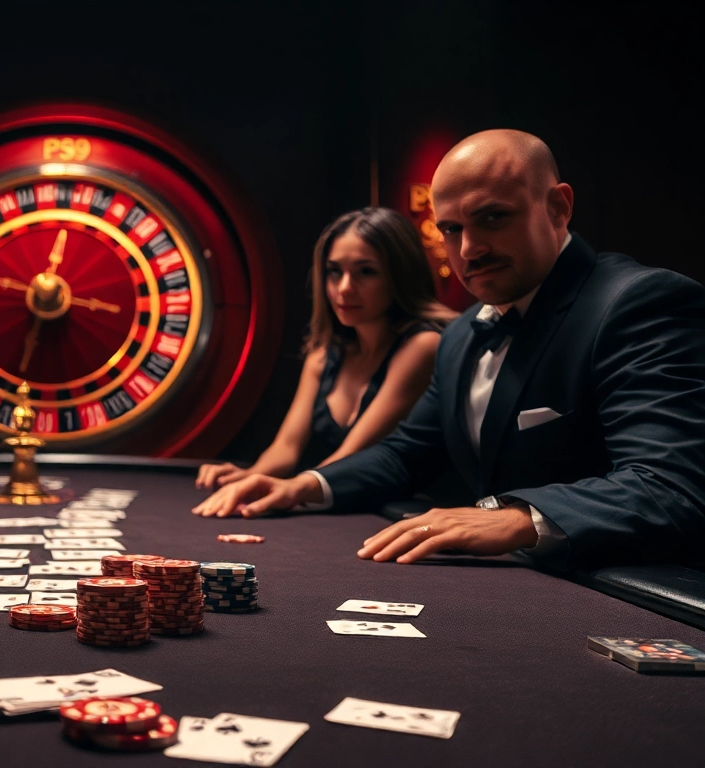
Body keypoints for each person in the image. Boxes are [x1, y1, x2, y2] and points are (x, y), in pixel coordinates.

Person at [204, 130, 705, 569]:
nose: (468, 249)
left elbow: (669, 488)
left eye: (492, 218)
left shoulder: (638, 303)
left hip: (631, 596)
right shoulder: (462, 335)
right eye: (450, 229)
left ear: (558, 207)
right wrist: (305, 487)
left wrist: (516, 518)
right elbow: (405, 457)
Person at [192, 207, 456, 517]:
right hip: (344, 510)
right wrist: (248, 478)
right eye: (334, 271)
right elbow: (286, 448)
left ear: (399, 275)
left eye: (365, 271)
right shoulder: (324, 354)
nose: (344, 287)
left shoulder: (423, 346)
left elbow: (351, 455)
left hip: (405, 516)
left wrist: (284, 489)